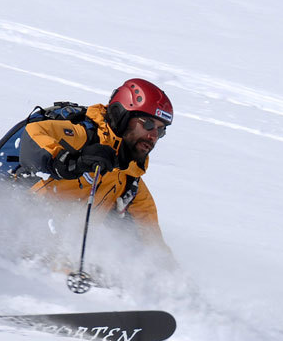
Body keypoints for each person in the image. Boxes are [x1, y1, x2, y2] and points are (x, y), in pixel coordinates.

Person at [15, 78, 174, 254]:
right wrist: (70, 162)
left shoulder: (130, 180)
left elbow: (153, 242)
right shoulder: (84, 135)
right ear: (122, 115)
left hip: (58, 254)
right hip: (17, 229)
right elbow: (33, 133)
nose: (153, 135)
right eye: (149, 124)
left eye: (160, 130)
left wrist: (174, 278)